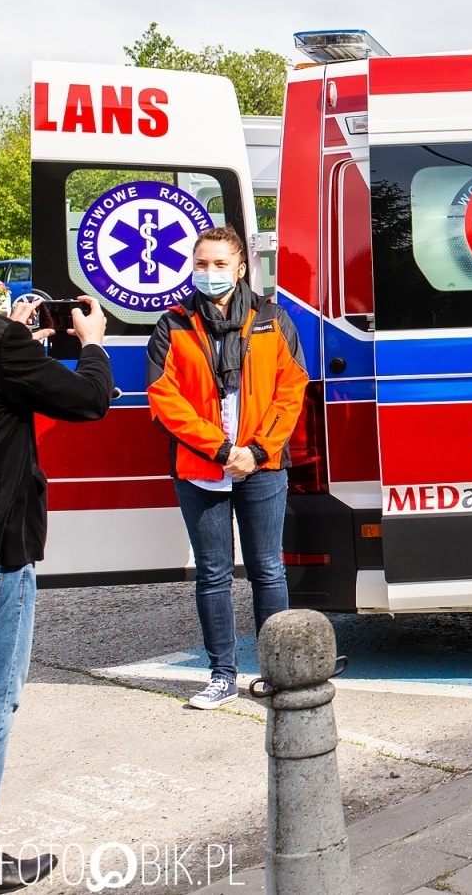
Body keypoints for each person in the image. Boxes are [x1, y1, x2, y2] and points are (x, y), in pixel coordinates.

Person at [147, 227, 308, 711]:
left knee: (267, 570)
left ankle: (277, 673)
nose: (210, 272)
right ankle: (221, 675)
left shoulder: (272, 318)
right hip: (201, 468)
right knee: (213, 574)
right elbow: (164, 399)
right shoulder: (172, 324)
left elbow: (291, 389)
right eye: (202, 263)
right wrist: (220, 449)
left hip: (262, 465)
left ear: (241, 269)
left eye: (220, 264)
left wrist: (257, 451)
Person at [0, 296, 111, 890]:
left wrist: (16, 341)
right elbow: (89, 400)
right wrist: (90, 341)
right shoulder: (0, 347)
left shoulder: (4, 347)